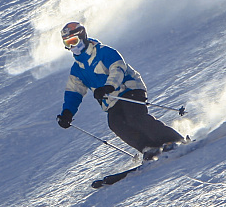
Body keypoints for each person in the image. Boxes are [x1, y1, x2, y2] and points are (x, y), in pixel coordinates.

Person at [55, 21, 186, 158]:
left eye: (74, 41)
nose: (72, 47)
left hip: (129, 88)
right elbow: (73, 92)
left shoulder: (104, 52)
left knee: (134, 117)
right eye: (67, 44)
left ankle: (172, 139)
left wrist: (109, 86)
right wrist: (67, 113)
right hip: (112, 99)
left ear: (82, 36)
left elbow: (117, 69)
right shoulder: (77, 69)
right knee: (115, 123)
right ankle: (149, 147)